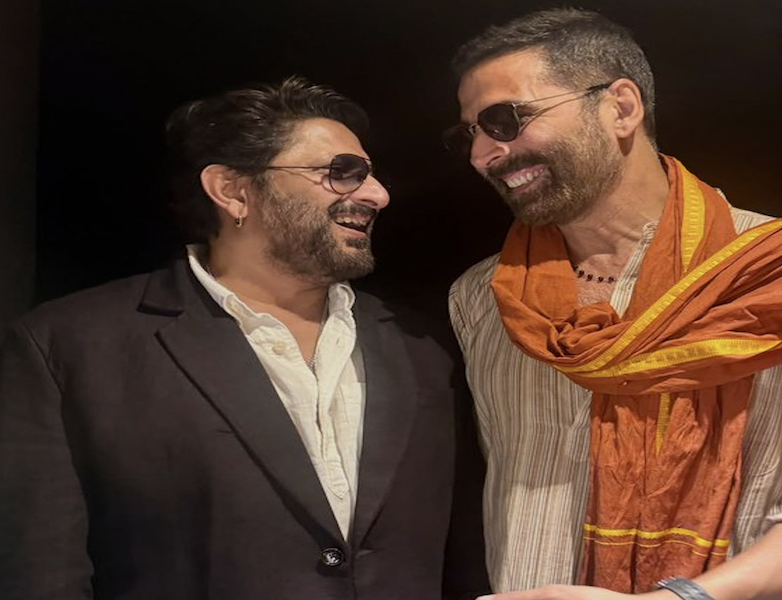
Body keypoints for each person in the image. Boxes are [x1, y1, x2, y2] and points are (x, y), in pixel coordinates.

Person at [443, 8, 782, 600]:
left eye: (504, 120)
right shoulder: (484, 296)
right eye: (470, 134)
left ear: (621, 107)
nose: (483, 154)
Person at [0, 75, 489, 600]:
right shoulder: (69, 345)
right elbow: (41, 575)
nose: (378, 194)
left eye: (369, 174)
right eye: (342, 172)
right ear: (233, 191)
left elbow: (466, 555)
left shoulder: (426, 346)